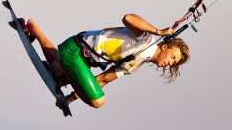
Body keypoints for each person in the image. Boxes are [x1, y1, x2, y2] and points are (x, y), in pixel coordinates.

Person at [20, 14, 190, 110]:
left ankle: (34, 29)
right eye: (173, 57)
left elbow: (103, 79)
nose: (170, 63)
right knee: (98, 102)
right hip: (76, 50)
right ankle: (58, 70)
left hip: (76, 52)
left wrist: (70, 98)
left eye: (174, 63)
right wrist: (158, 31)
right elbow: (128, 18)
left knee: (67, 74)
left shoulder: (137, 64)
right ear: (166, 45)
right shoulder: (146, 39)